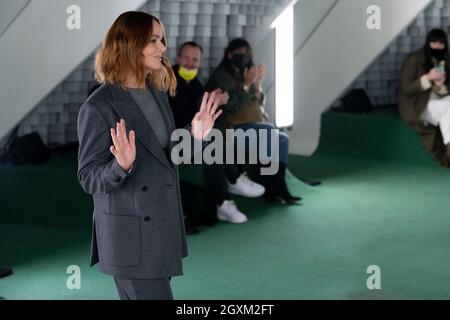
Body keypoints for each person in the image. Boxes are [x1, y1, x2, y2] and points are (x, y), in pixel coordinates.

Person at [77, 11, 222, 300]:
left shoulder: (155, 92)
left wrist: (193, 135)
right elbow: (88, 177)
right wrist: (120, 166)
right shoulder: (98, 106)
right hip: (131, 238)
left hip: (161, 228)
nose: (162, 47)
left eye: (162, 39)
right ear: (131, 44)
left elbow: (166, 156)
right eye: (153, 40)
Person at [169, 41, 265, 224]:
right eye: (186, 58)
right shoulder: (166, 82)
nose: (190, 63)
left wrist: (217, 102)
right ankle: (230, 187)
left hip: (193, 136)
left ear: (200, 62)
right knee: (211, 138)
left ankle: (229, 192)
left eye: (194, 59)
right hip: (174, 140)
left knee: (212, 132)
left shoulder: (197, 85)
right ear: (178, 58)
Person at [206, 38, 301, 204]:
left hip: (250, 124)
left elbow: (258, 102)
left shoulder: (244, 71)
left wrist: (257, 84)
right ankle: (275, 189)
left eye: (246, 54)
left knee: (282, 139)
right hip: (228, 129)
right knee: (270, 132)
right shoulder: (222, 76)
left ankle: (276, 187)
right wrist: (246, 85)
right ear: (229, 55)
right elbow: (233, 107)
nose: (244, 57)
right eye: (239, 54)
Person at [399, 28, 450, 166]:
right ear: (428, 42)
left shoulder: (446, 59)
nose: (437, 46)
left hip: (437, 99)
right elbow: (406, 88)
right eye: (434, 42)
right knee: (448, 108)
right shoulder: (414, 59)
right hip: (416, 105)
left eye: (441, 43)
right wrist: (427, 78)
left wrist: (441, 85)